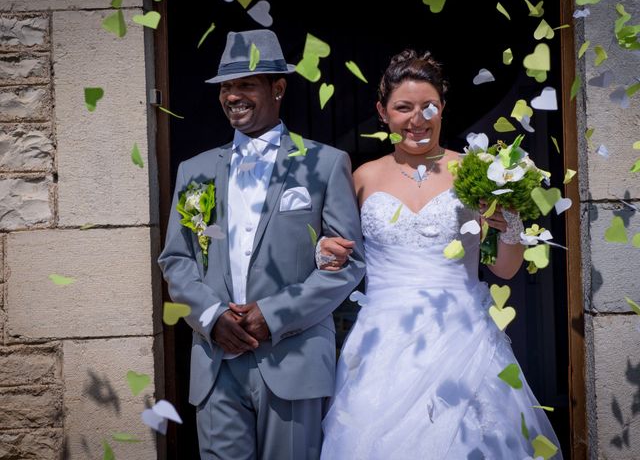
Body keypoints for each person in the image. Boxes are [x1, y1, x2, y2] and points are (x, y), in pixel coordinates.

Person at [318, 50, 563, 459]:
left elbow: (503, 270)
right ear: (383, 112)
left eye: (429, 106)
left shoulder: (471, 171)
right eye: (403, 108)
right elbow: (341, 258)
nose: (418, 119)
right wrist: (325, 253)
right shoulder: (362, 177)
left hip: (463, 336)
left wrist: (513, 226)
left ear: (443, 108)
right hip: (383, 342)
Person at [157, 29, 365, 460]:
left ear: (279, 88)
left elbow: (347, 263)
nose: (233, 96)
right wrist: (212, 317)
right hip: (216, 360)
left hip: (295, 357)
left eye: (246, 84)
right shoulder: (193, 171)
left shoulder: (325, 165)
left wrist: (273, 314)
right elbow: (177, 259)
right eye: (226, 87)